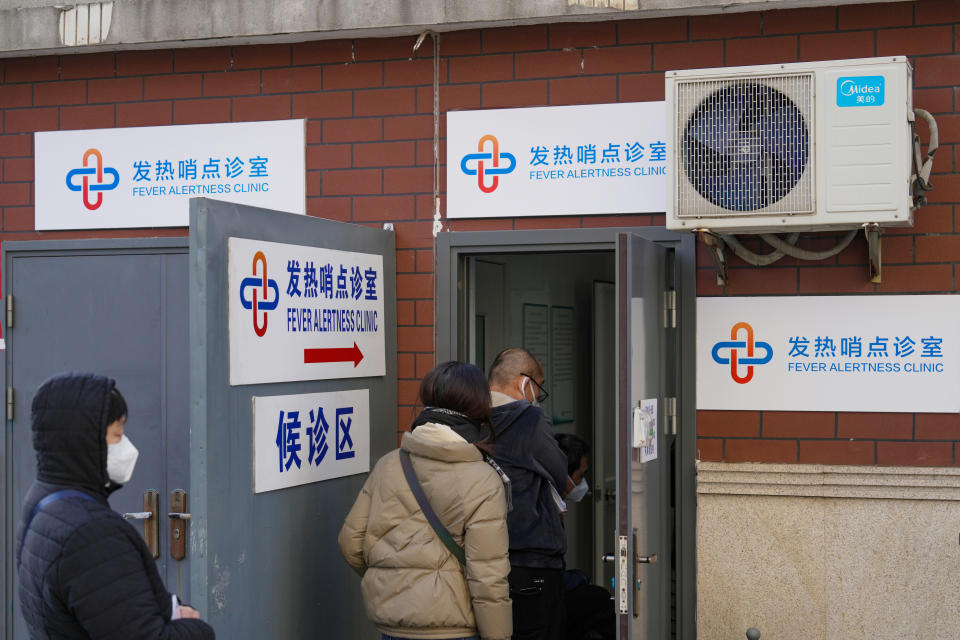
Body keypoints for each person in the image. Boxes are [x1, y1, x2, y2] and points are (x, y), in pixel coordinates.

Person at [16, 372, 215, 640]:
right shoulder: (91, 534)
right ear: (85, 440)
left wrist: (167, 608)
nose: (128, 447)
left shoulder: (42, 502)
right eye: (117, 433)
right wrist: (197, 629)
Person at [338, 361, 512, 640]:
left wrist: (395, 579)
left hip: (393, 627)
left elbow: (350, 543)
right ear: (479, 407)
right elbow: (488, 577)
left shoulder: (388, 465)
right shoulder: (483, 480)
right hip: (455, 630)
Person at [487, 348, 570, 640]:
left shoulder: (471, 419)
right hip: (533, 560)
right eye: (539, 388)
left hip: (486, 558)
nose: (538, 397)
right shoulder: (529, 420)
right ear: (524, 383)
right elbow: (560, 474)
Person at [553, 434, 614, 640]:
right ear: (564, 475)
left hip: (551, 595)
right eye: (580, 476)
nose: (583, 483)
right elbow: (553, 577)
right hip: (546, 601)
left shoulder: (552, 506)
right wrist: (580, 577)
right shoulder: (545, 513)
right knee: (600, 599)